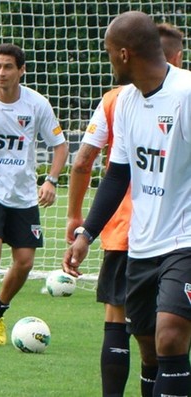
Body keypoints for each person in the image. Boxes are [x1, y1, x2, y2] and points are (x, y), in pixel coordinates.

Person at [63, 11, 191, 397]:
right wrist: (87, 233)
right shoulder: (127, 103)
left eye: (107, 53)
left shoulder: (186, 94)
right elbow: (118, 175)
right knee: (150, 349)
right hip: (142, 244)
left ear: (122, 54)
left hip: (184, 242)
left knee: (170, 337)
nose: (107, 61)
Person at [0, 43, 68, 347]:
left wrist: (52, 181)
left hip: (24, 195)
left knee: (25, 263)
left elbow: (60, 146)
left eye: (7, 67)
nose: (0, 73)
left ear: (21, 71)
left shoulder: (36, 105)